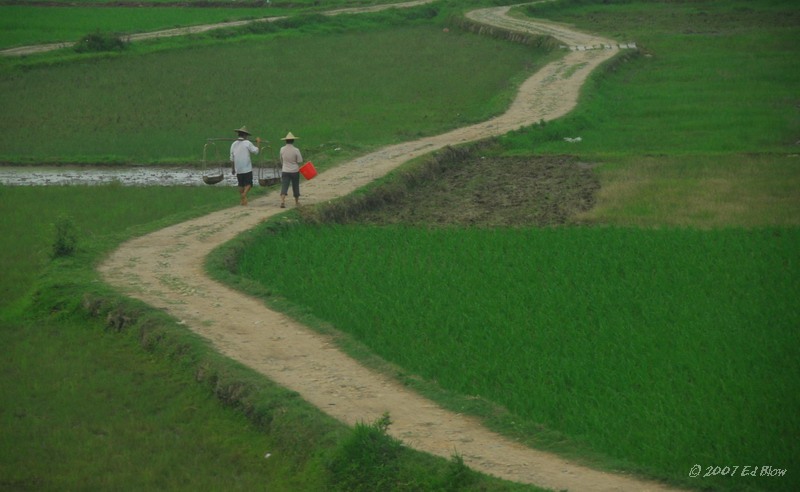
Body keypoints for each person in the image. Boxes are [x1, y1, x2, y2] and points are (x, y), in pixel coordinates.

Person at [230, 126, 260, 206]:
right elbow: (256, 151)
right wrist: (258, 142)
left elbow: (231, 158)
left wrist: (233, 168)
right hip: (246, 168)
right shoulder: (247, 143)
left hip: (238, 168)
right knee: (249, 184)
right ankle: (244, 195)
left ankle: (243, 200)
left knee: (241, 184)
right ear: (244, 135)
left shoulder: (233, 144)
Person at [279, 131, 303, 208]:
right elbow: (300, 161)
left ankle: (282, 201)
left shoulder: (282, 149)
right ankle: (296, 202)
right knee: (295, 186)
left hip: (285, 170)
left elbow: (281, 159)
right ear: (293, 140)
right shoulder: (296, 150)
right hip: (294, 171)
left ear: (286, 141)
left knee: (284, 186)